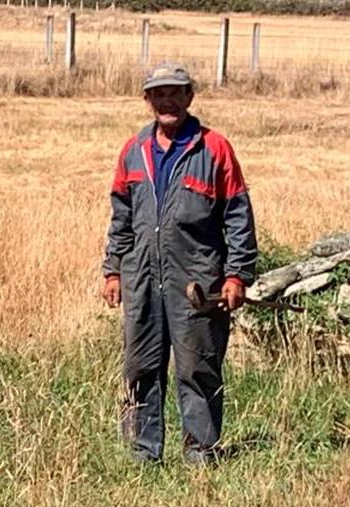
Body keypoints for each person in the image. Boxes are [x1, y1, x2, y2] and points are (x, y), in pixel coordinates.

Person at [102, 63, 257, 466]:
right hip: (141, 279)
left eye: (175, 93)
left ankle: (200, 453)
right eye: (158, 94)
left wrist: (237, 274)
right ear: (148, 101)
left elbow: (237, 214)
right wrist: (114, 270)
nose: (167, 101)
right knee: (140, 367)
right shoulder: (133, 151)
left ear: (189, 97)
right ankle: (142, 453)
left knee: (198, 367)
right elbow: (121, 215)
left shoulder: (214, 148)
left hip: (198, 281)